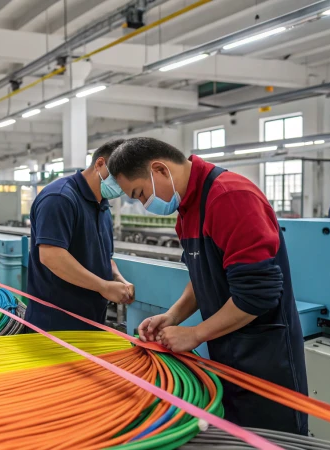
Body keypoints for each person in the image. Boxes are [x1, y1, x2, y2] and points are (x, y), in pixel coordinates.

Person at [108, 137, 308, 435]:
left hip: (265, 356)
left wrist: (195, 334)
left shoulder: (229, 197)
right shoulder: (189, 209)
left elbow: (257, 294)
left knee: (269, 438)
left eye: (140, 193)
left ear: (159, 169)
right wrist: (173, 316)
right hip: (228, 349)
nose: (144, 204)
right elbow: (202, 275)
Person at [25, 139, 135, 331]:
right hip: (55, 323)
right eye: (118, 178)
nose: (122, 187)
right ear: (100, 164)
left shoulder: (102, 205)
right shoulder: (59, 198)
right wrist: (103, 286)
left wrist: (118, 279)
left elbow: (103, 258)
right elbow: (51, 256)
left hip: (91, 320)